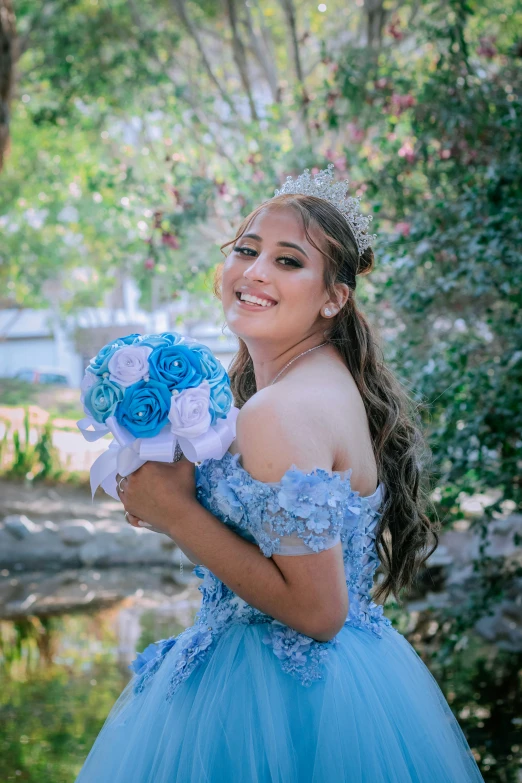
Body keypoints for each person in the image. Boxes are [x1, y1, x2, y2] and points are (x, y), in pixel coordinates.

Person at [75, 165, 485, 782]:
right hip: (354, 676)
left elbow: (317, 612)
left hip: (274, 696)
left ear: (333, 297)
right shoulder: (319, 383)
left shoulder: (279, 409)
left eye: (289, 261)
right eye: (246, 250)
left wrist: (179, 515)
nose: (256, 271)